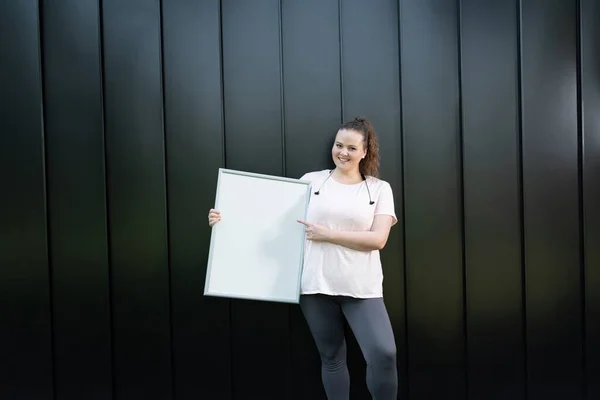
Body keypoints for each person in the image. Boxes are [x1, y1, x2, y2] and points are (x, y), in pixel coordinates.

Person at [207, 116, 398, 399]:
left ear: (365, 152)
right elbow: (272, 221)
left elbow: (378, 239)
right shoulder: (312, 181)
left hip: (362, 289)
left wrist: (328, 234)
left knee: (384, 354)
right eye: (338, 145)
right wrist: (225, 218)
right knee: (332, 358)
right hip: (315, 286)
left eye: (351, 148)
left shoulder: (379, 188)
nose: (343, 153)